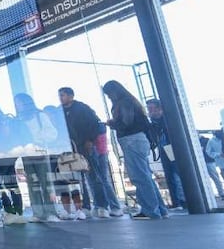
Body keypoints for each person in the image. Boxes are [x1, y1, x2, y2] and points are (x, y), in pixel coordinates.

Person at [102, 80, 167, 219]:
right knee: (145, 176)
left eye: (108, 94)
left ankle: (150, 211)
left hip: (131, 140)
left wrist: (111, 123)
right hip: (139, 140)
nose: (109, 97)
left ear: (113, 92)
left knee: (139, 177)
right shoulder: (131, 100)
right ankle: (160, 209)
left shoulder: (124, 102)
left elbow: (126, 122)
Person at [59, 87, 123, 218]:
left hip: (89, 145)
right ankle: (97, 205)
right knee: (89, 178)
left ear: (71, 96)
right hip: (78, 147)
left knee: (100, 177)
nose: (61, 98)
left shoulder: (82, 108)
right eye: (60, 96)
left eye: (63, 95)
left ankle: (109, 206)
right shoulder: (62, 112)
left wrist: (90, 141)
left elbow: (94, 124)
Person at [14, 93, 61, 222]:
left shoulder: (40, 116)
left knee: (46, 183)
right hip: (27, 154)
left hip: (40, 152)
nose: (17, 106)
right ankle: (38, 212)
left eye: (19, 103)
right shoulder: (19, 119)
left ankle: (51, 212)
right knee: (32, 183)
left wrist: (37, 139)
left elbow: (52, 133)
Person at [146, 99, 186, 209]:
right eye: (149, 109)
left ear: (160, 108)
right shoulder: (153, 123)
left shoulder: (167, 119)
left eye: (153, 108)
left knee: (176, 173)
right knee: (169, 175)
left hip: (170, 147)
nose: (151, 112)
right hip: (163, 148)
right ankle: (176, 201)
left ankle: (182, 200)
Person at [200, 133, 224, 198]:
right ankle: (216, 193)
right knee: (212, 178)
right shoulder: (207, 140)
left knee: (215, 177)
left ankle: (221, 193)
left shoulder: (206, 140)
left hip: (209, 161)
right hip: (206, 161)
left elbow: (209, 151)